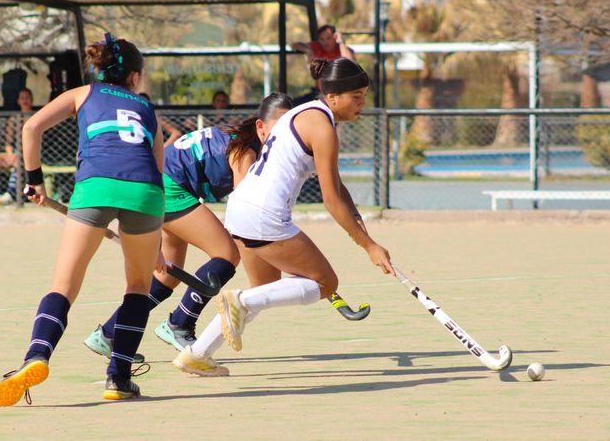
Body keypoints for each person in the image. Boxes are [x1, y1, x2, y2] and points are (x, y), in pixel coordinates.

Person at [172, 58, 392, 376]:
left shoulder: (303, 114)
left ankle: (197, 354)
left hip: (241, 208)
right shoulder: (323, 129)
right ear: (333, 97)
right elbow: (331, 200)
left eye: (364, 96)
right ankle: (238, 302)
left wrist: (358, 222)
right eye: (356, 96)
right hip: (266, 215)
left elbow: (337, 185)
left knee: (265, 289)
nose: (362, 103)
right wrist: (368, 245)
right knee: (325, 283)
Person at [0, 33, 165, 406]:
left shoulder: (82, 93)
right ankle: (118, 378)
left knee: (64, 285)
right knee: (138, 287)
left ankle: (36, 355)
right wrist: (157, 243)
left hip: (95, 187)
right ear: (135, 77)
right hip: (146, 195)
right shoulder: (147, 109)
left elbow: (31, 128)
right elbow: (157, 171)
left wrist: (35, 181)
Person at [83, 93, 294, 376]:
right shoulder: (246, 151)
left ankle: (109, 333)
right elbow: (245, 206)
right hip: (171, 185)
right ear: (261, 125)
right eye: (279, 126)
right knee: (226, 255)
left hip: (169, 181)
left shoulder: (244, 138)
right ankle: (179, 323)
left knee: (167, 276)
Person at [0, 88, 34, 205]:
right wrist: (10, 153)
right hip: (15, 152)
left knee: (18, 160)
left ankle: (10, 194)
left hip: (30, 153)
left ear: (32, 100)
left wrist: (19, 155)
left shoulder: (36, 116)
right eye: (22, 98)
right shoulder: (14, 119)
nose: (25, 100)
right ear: (18, 101)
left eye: (27, 98)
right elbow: (8, 142)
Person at [290, 24, 356, 62]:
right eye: (322, 39)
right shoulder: (317, 46)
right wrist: (307, 50)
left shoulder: (345, 50)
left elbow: (351, 63)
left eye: (328, 38)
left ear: (335, 37)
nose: (325, 42)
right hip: (323, 83)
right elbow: (294, 45)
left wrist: (340, 41)